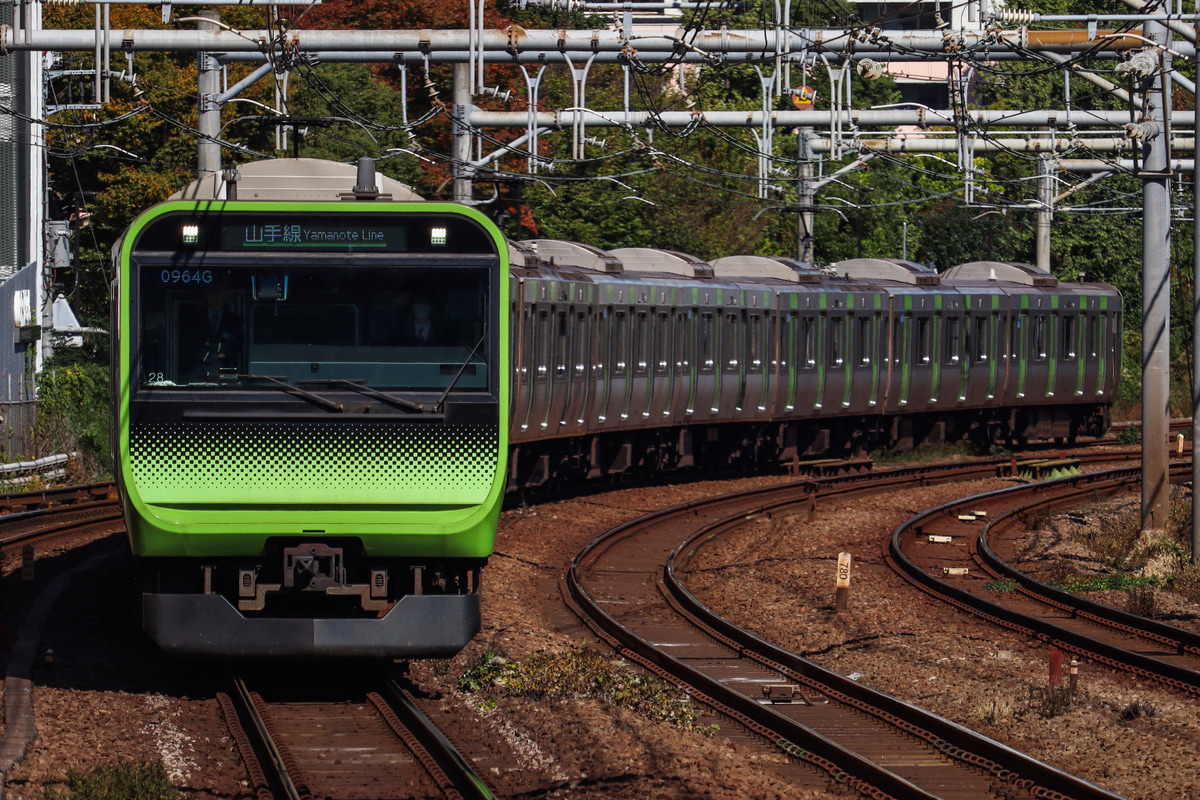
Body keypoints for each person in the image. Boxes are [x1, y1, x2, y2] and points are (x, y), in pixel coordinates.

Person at [179, 284, 243, 382]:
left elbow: (238, 346)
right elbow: (187, 344)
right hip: (196, 370)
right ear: (206, 293)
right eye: (212, 292)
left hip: (224, 370)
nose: (215, 295)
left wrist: (226, 355)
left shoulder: (235, 320)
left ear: (226, 294)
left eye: (219, 292)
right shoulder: (193, 318)